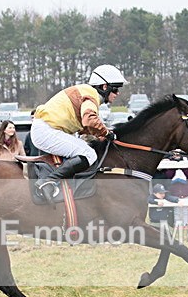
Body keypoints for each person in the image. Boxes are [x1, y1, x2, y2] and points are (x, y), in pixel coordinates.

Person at [31, 64, 127, 203]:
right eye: (116, 89)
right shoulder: (91, 95)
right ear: (105, 87)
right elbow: (89, 120)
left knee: (87, 150)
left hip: (49, 129)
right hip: (47, 131)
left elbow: (84, 127)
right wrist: (106, 133)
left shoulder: (86, 92)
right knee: (89, 154)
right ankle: (48, 182)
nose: (117, 93)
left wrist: (101, 135)